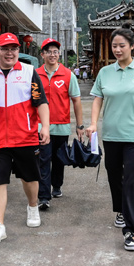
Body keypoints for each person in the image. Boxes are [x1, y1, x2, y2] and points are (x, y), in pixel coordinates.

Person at [85, 24, 134, 252]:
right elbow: (97, 99)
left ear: (132, 47)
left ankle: (131, 231)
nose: (117, 49)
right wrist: (94, 123)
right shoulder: (105, 73)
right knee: (114, 176)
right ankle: (120, 210)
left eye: (121, 45)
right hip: (112, 134)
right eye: (114, 46)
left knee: (130, 181)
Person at [0, 33, 50, 244]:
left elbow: (41, 102)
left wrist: (44, 126)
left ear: (19, 51)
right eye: (5, 48)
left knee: (30, 178)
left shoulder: (29, 72)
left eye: (14, 48)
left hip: (25, 136)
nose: (9, 52)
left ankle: (33, 206)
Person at [36, 38, 84, 209]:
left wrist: (79, 126)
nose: (52, 54)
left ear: (59, 54)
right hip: (41, 126)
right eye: (48, 51)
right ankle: (43, 196)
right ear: (42, 55)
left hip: (62, 126)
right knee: (43, 159)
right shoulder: (35, 74)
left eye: (55, 51)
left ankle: (57, 186)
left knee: (58, 159)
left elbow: (76, 101)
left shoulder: (68, 75)